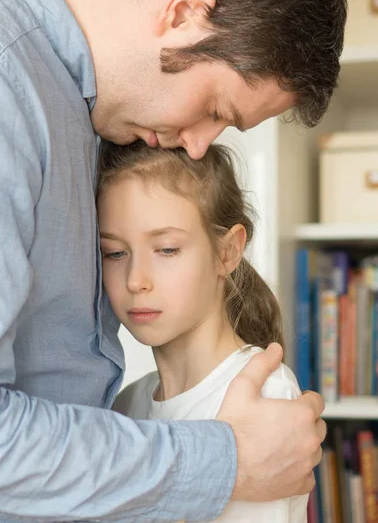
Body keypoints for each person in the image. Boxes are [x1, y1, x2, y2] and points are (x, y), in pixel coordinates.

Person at [0, 0, 345, 521]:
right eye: (216, 110)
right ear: (186, 11)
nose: (199, 148)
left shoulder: (85, 120)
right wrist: (225, 461)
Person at [99, 139, 308, 523]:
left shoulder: (266, 393)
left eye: (166, 249)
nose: (135, 280)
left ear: (227, 252)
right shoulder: (125, 406)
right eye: (114, 252)